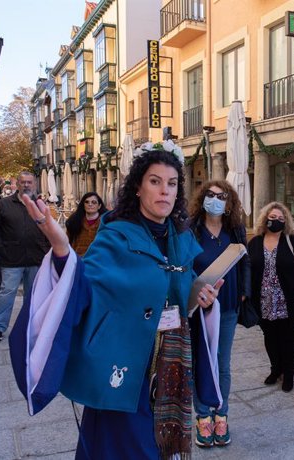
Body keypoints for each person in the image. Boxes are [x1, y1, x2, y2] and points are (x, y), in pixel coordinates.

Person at [18, 143, 222, 459]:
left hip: (171, 368)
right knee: (122, 448)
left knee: (161, 448)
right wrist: (61, 247)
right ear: (138, 188)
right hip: (125, 365)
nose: (164, 191)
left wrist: (204, 299)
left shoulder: (182, 237)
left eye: (171, 183)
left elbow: (184, 295)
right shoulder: (115, 234)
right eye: (155, 181)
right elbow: (83, 285)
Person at [187, 180, 250, 448]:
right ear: (202, 199)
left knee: (222, 363)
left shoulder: (235, 230)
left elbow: (245, 260)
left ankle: (221, 415)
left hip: (228, 305)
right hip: (198, 307)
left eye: (220, 196)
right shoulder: (191, 230)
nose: (214, 199)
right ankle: (203, 416)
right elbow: (183, 265)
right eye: (210, 195)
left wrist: (244, 291)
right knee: (201, 360)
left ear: (228, 202)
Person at [247, 202, 294, 393]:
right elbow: (246, 267)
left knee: (288, 338)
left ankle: (289, 374)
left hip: (289, 300)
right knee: (270, 336)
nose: (276, 221)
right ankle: (275, 369)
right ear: (265, 218)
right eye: (273, 217)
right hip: (263, 300)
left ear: (286, 222)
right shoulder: (255, 242)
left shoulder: (293, 242)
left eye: (281, 219)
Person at [0, 171, 50, 342]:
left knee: (33, 295)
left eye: (29, 182)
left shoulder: (40, 205)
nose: (26, 185)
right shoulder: (4, 204)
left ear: (34, 184)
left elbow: (49, 229)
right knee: (7, 292)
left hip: (36, 258)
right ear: (18, 184)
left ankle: (29, 326)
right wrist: (2, 250)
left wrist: (45, 251)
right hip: (12, 259)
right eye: (23, 182)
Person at [65, 192, 107, 257]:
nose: (90, 204)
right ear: (83, 205)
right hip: (78, 260)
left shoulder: (106, 223)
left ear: (99, 206)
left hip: (99, 261)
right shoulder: (74, 222)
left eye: (94, 202)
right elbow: (67, 242)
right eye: (87, 202)